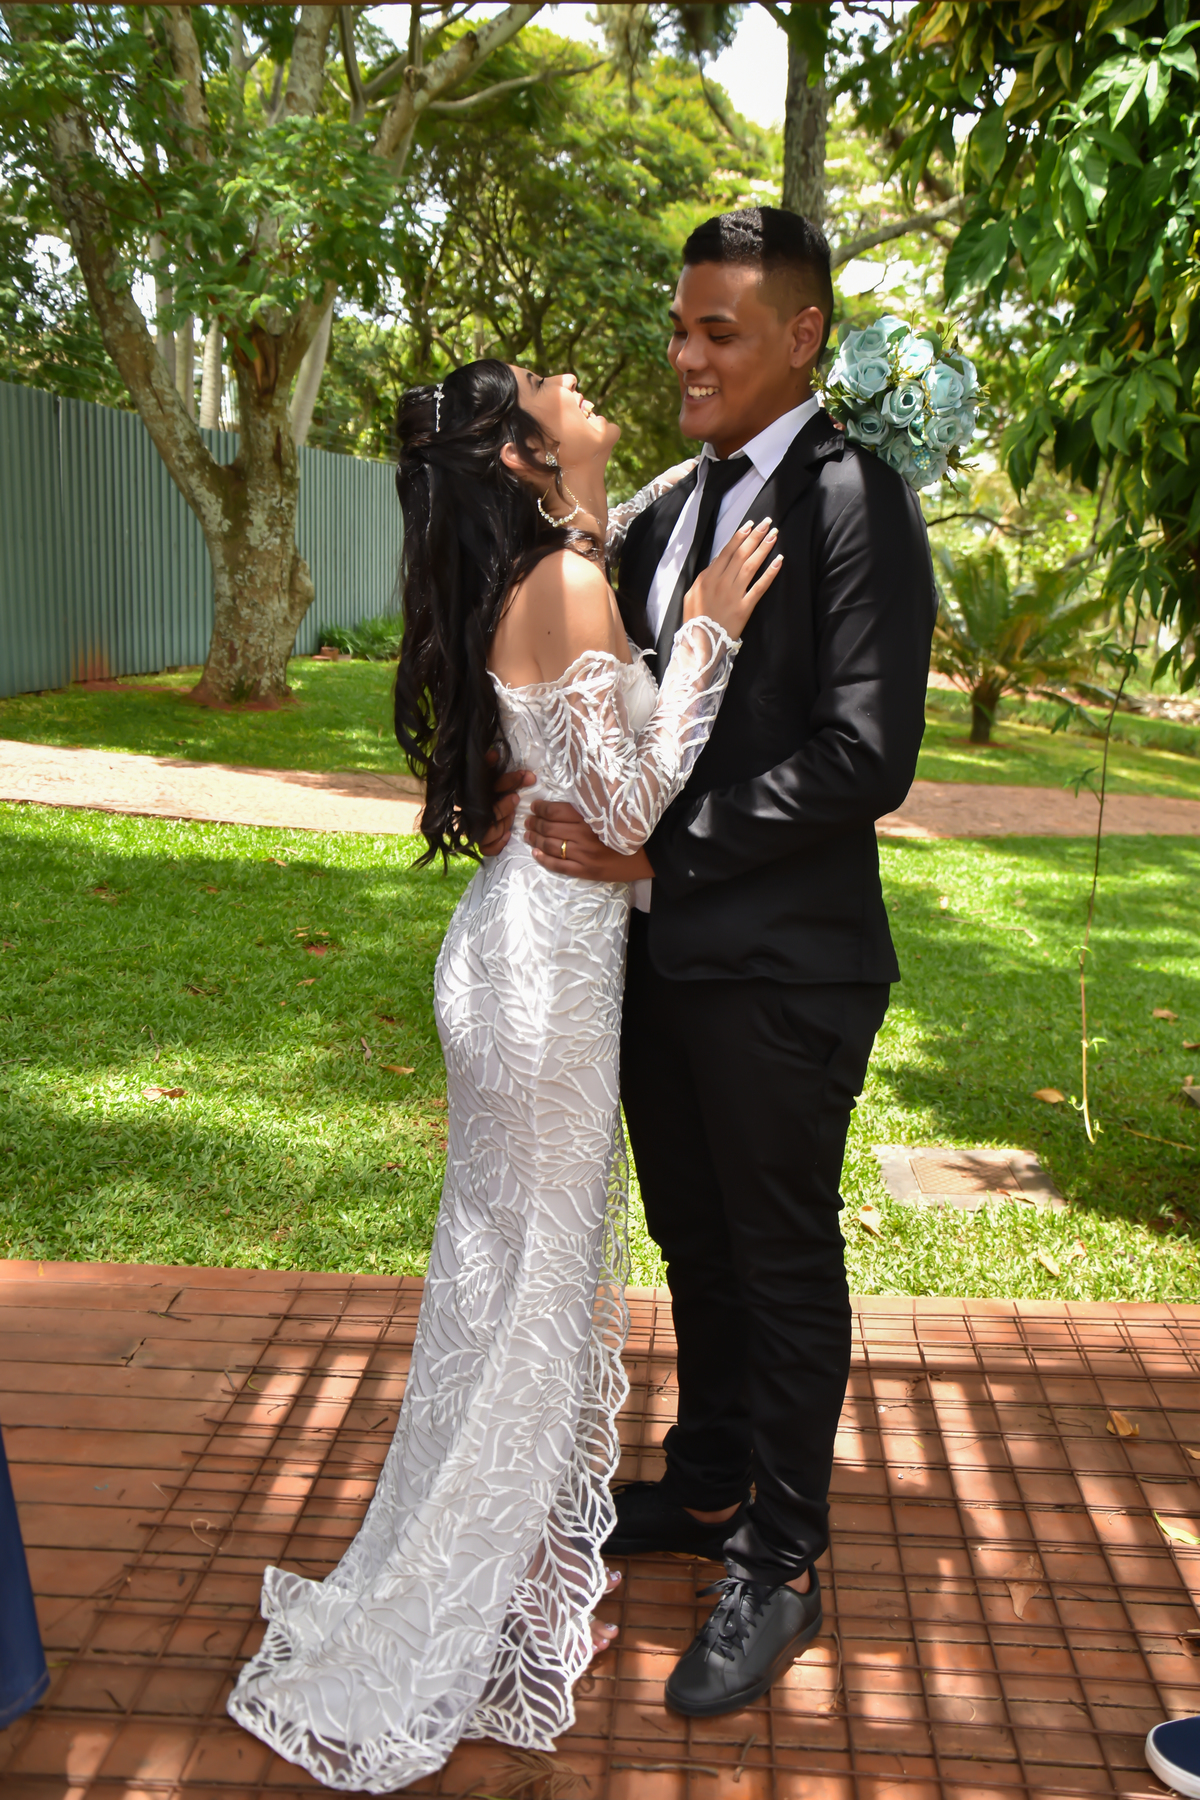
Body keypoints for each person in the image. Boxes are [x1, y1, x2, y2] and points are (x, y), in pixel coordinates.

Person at [226, 358, 782, 1791]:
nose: (575, 376)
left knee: (502, 1281)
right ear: (522, 460)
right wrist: (709, 635)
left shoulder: (550, 564)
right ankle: (455, 1613)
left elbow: (569, 750)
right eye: (546, 384)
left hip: (520, 955)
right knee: (531, 1291)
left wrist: (608, 511)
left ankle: (486, 1574)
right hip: (544, 978)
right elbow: (627, 801)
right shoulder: (571, 585)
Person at [521, 207, 938, 1717]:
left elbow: (865, 755)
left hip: (786, 967)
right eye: (681, 327)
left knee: (780, 1258)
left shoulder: (855, 500)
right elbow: (627, 704)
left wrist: (663, 855)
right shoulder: (669, 506)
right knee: (696, 1241)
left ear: (802, 337)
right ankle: (707, 1485)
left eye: (721, 332)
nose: (686, 357)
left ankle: (782, 1552)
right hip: (662, 963)